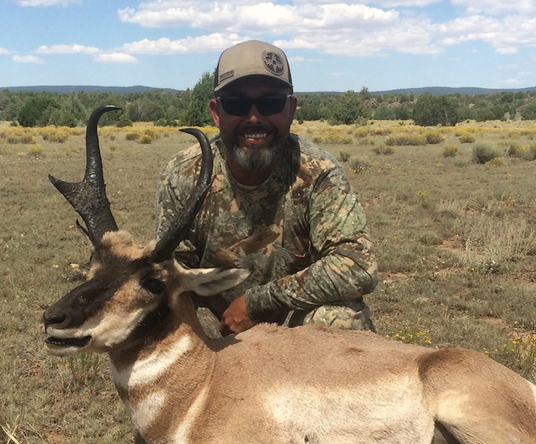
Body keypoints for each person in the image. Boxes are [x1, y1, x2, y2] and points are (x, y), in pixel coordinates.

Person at [155, 40, 378, 337]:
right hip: (215, 327)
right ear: (216, 112)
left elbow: (357, 265)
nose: (254, 118)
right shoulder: (184, 175)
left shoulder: (318, 172)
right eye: (236, 103)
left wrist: (255, 304)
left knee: (341, 320)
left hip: (294, 328)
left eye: (271, 102)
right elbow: (170, 273)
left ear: (291, 109)